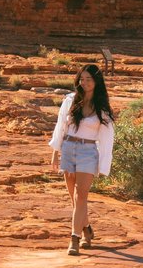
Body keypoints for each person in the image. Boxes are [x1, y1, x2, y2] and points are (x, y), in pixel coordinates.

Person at [49, 63, 115, 255]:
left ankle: (74, 239)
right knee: (74, 198)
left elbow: (106, 138)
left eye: (89, 79)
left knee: (81, 196)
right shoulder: (70, 100)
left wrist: (104, 164)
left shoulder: (102, 107)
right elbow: (61, 126)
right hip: (68, 149)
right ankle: (86, 229)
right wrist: (55, 151)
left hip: (88, 151)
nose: (84, 83)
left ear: (96, 82)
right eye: (82, 79)